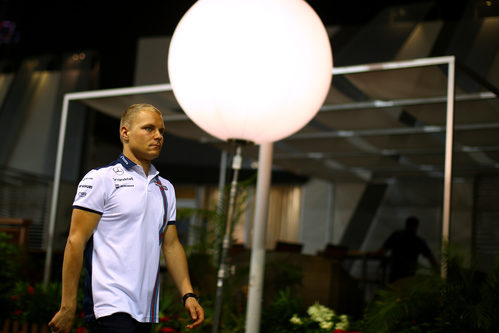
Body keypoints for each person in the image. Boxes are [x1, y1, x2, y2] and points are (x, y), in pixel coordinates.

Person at [48, 104, 204, 333]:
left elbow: (171, 245)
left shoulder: (165, 188)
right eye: (149, 128)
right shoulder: (101, 179)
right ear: (125, 133)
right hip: (109, 306)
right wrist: (67, 305)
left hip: (145, 310)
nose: (158, 136)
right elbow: (75, 241)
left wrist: (188, 294)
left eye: (161, 131)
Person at [372, 216, 438, 283]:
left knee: (394, 291)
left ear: (406, 225)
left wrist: (371, 254)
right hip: (408, 275)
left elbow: (381, 251)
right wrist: (437, 272)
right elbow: (430, 257)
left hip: (395, 273)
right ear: (416, 227)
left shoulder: (397, 236)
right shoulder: (418, 241)